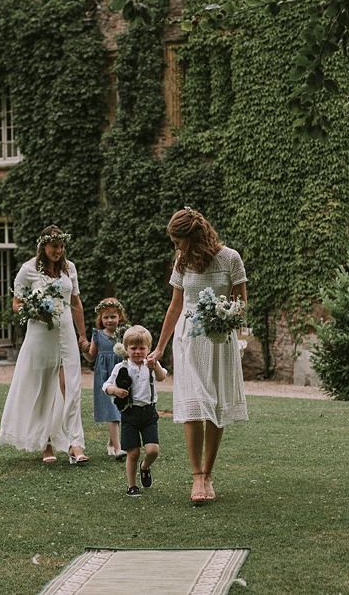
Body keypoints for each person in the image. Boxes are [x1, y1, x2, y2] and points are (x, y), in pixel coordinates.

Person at [147, 207, 248, 503]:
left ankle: (208, 473)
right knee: (194, 404)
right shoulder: (182, 261)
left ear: (194, 236)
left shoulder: (231, 258)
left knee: (215, 406)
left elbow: (241, 304)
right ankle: (196, 477)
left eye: (179, 240)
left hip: (219, 341)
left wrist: (226, 318)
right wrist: (161, 346)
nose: (176, 246)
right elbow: (175, 306)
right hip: (188, 340)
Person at [0, 225, 90, 465]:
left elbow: (77, 303)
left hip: (67, 332)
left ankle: (75, 442)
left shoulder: (70, 268)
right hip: (40, 333)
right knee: (43, 387)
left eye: (61, 246)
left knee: (70, 385)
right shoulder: (28, 270)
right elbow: (16, 304)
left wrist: (82, 336)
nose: (58, 251)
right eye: (53, 246)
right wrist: (34, 310)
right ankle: (46, 442)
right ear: (43, 246)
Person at [103, 325, 167, 497]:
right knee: (133, 452)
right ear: (126, 349)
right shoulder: (121, 367)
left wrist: (156, 367)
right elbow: (106, 385)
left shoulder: (151, 364)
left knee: (153, 450)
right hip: (130, 413)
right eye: (133, 348)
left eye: (142, 348)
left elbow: (162, 377)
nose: (138, 352)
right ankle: (132, 485)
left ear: (148, 349)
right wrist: (115, 390)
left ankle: (145, 467)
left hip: (149, 413)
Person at [83, 297, 128, 459]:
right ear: (100, 319)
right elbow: (91, 356)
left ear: (119, 317)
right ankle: (118, 448)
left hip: (120, 374)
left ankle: (111, 442)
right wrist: (84, 349)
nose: (110, 320)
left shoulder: (123, 333)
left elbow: (130, 350)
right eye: (106, 317)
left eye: (113, 316)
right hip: (104, 375)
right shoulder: (97, 335)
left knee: (119, 408)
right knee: (111, 410)